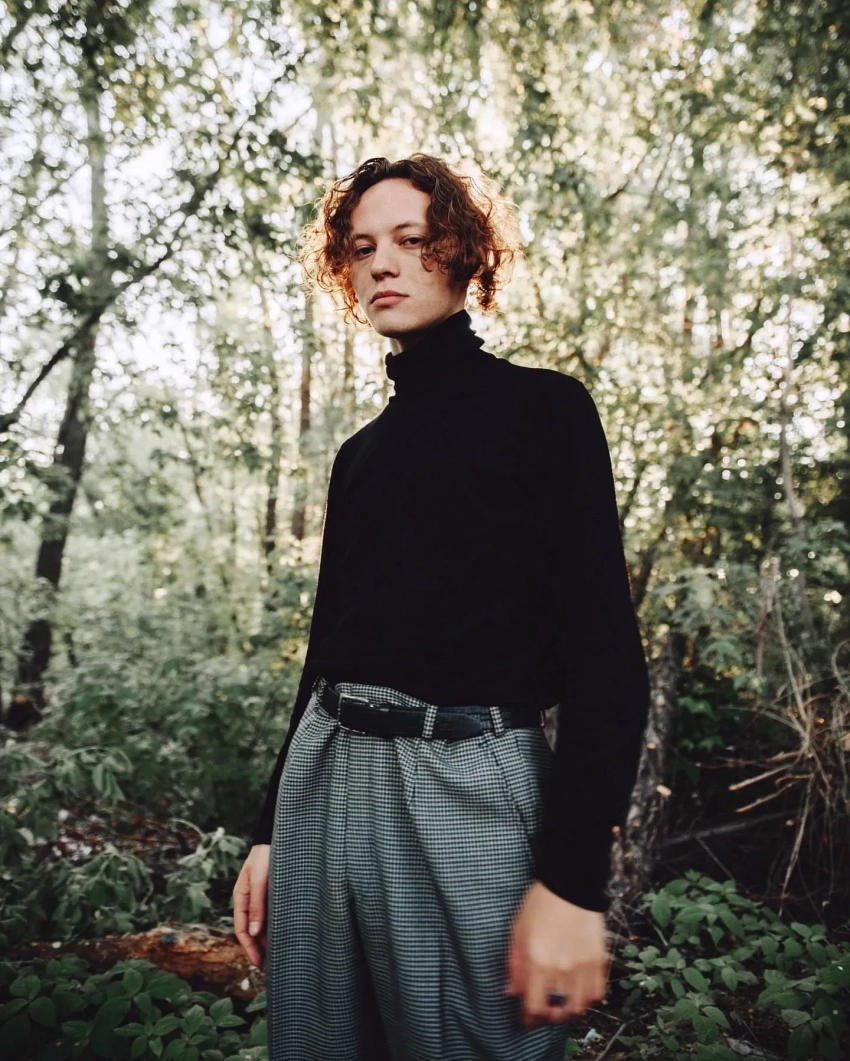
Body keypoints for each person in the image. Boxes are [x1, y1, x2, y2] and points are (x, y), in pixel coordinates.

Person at [232, 153, 650, 1061]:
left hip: (468, 779)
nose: (382, 263)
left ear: (462, 253)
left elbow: (606, 658)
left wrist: (573, 884)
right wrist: (270, 832)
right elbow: (327, 653)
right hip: (325, 776)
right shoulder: (360, 456)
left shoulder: (545, 410)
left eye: (411, 240)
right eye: (361, 247)